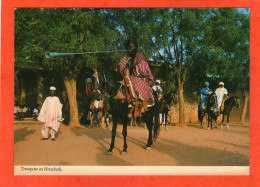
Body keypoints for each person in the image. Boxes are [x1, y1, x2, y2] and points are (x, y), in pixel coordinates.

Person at [118, 39, 154, 106]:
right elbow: (121, 66)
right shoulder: (126, 57)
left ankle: (142, 102)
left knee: (137, 82)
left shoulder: (139, 56)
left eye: (132, 47)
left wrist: (134, 66)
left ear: (135, 47)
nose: (130, 48)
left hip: (138, 77)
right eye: (129, 47)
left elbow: (143, 70)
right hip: (126, 77)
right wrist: (126, 67)